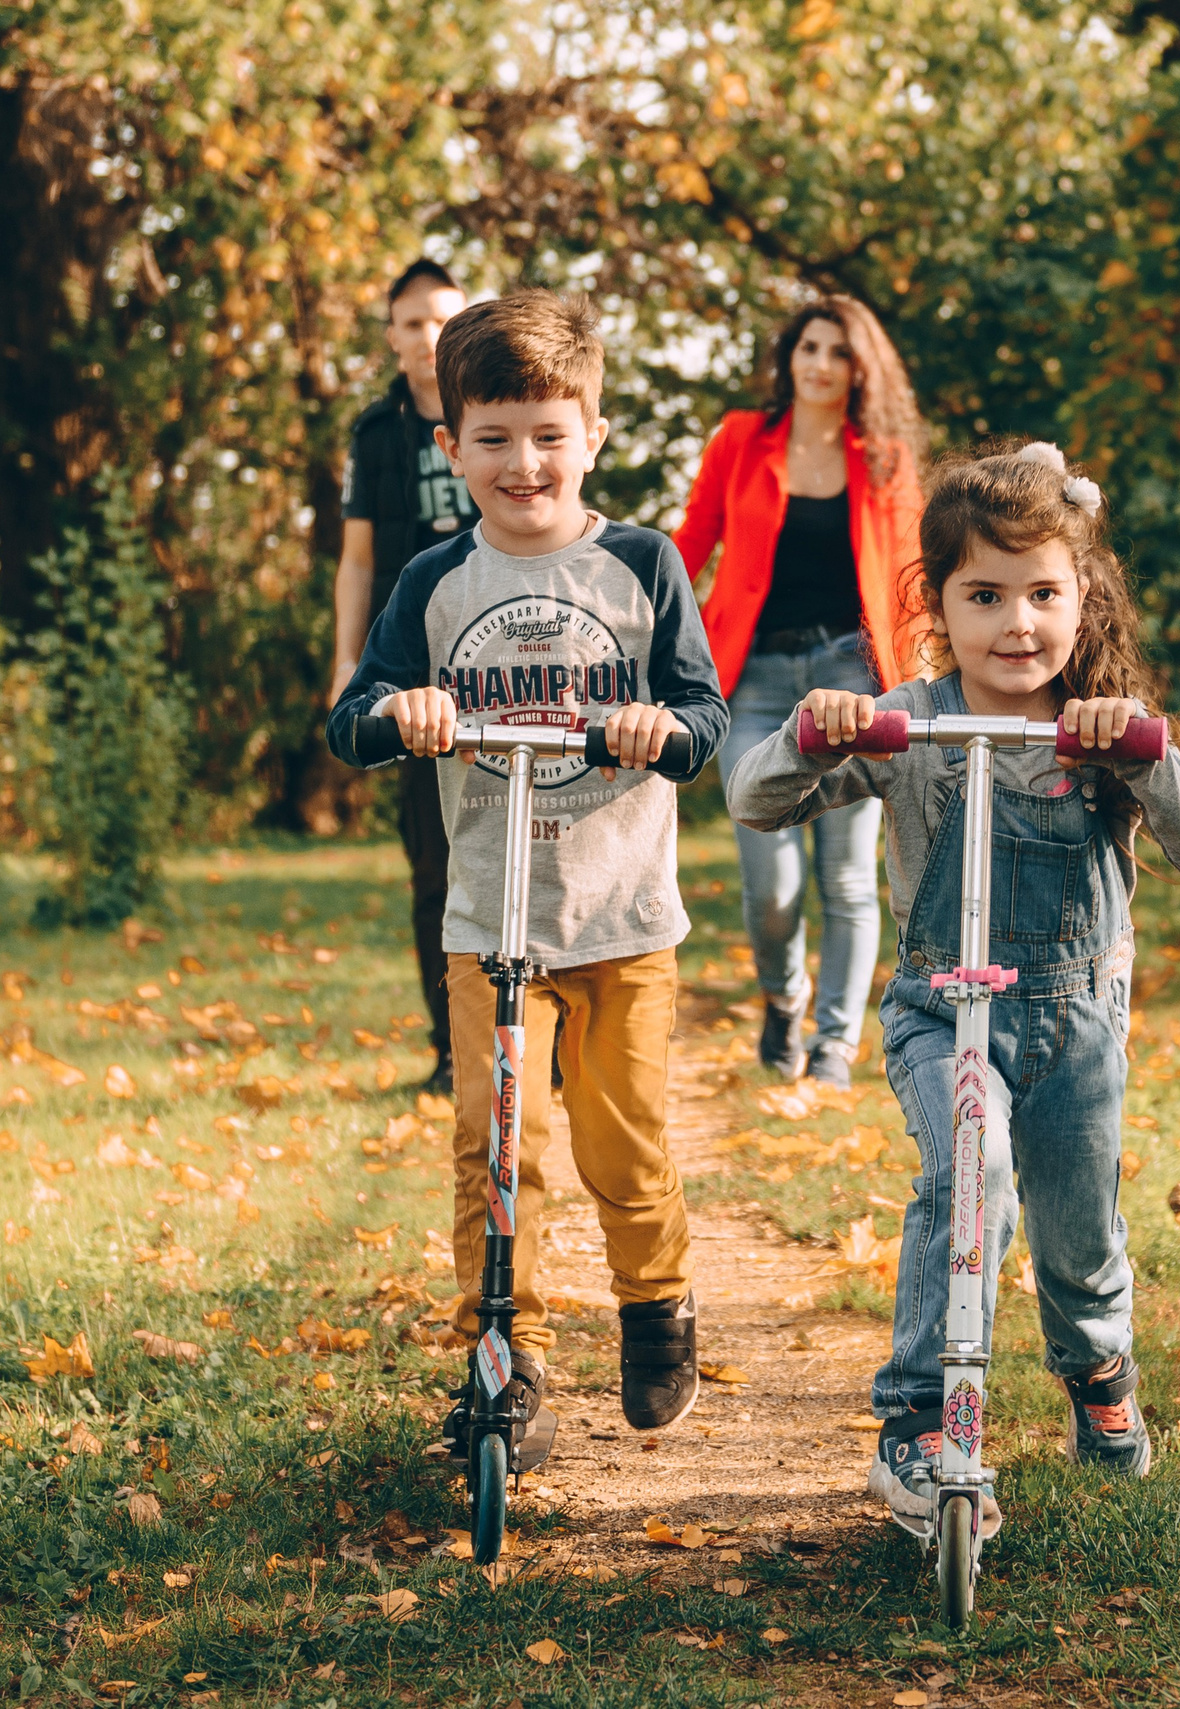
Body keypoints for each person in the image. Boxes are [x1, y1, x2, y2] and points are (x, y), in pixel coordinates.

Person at [725, 441, 1180, 1539]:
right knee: (969, 1173)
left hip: (1074, 1022)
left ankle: (1098, 1367)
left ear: (1080, 596)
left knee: (1075, 1232)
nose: (1018, 622)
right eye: (986, 595)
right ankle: (917, 1419)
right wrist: (810, 737)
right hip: (938, 1011)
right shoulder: (907, 720)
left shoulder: (1102, 724)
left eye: (1043, 593)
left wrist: (1146, 757)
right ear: (937, 603)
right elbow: (754, 797)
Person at [327, 291, 731, 1465]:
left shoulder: (642, 567)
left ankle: (655, 1302)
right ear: (449, 449)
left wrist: (662, 727)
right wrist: (401, 712)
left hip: (620, 914)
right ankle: (501, 1354)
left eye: (551, 433)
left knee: (620, 1140)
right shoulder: (433, 580)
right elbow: (353, 720)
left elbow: (704, 716)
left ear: (593, 435)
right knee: (495, 1142)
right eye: (494, 437)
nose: (524, 461)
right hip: (487, 918)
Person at [675, 297, 925, 1087]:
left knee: (849, 876)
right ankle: (785, 997)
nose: (819, 363)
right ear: (790, 356)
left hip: (851, 675)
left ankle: (832, 1049)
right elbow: (689, 543)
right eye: (808, 347)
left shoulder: (884, 456)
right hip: (750, 679)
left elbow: (913, 582)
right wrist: (634, 631)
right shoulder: (742, 440)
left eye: (837, 351)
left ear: (861, 368)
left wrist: (923, 680)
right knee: (771, 881)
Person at [332, 259, 478, 1092]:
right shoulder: (375, 434)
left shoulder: (496, 418)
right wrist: (347, 665)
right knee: (435, 865)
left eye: (445, 321)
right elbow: (356, 562)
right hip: (411, 675)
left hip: (502, 663)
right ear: (392, 336)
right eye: (414, 323)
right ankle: (451, 1048)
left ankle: (544, 1036)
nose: (430, 338)